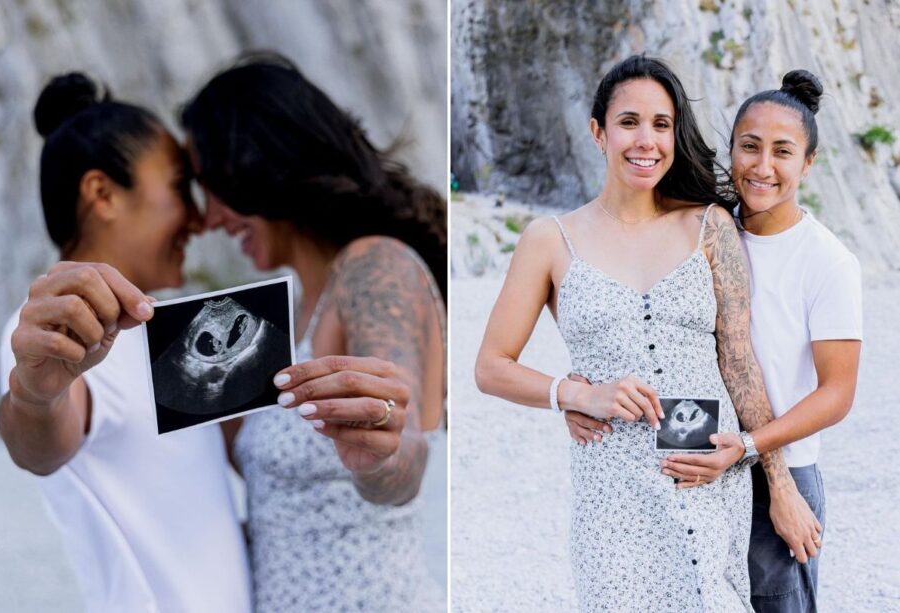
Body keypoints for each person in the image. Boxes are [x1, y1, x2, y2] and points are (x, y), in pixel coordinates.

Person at [475, 55, 818, 611]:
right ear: (598, 131)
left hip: (706, 476)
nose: (647, 141)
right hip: (611, 491)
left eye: (661, 124)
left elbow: (739, 362)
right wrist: (576, 394)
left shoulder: (709, 225)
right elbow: (491, 366)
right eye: (629, 122)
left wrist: (779, 484)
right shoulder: (549, 239)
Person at [567, 70, 862, 611]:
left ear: (809, 163)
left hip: (781, 469)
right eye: (749, 147)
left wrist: (766, 469)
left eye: (783, 152)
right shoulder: (705, 228)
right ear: (730, 150)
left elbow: (837, 393)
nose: (763, 167)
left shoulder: (827, 262)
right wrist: (577, 391)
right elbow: (645, 329)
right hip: (700, 459)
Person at [181, 53, 446, 612]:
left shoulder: (376, 265)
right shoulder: (281, 312)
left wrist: (381, 454)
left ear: (257, 166)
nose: (209, 220)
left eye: (214, 190)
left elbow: (405, 459)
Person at [0, 73, 251, 612]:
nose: (201, 218)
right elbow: (41, 445)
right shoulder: (51, 332)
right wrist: (35, 395)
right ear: (102, 194)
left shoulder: (169, 329)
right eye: (181, 186)